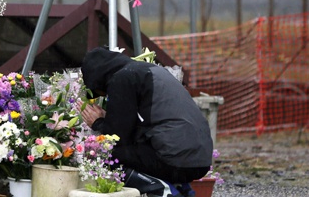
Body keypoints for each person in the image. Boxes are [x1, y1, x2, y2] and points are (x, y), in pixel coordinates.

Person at [78, 46, 213, 197]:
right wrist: (109, 117)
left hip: (174, 159)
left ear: (97, 80)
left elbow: (117, 138)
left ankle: (162, 190)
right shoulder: (148, 70)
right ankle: (181, 188)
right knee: (135, 152)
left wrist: (98, 123)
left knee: (108, 156)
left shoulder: (122, 78)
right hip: (198, 159)